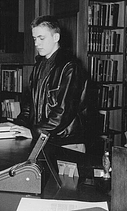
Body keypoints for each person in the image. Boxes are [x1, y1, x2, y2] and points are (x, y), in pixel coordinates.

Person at [11, 15, 87, 150]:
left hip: (65, 143)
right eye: (34, 38)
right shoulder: (39, 65)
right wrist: (18, 125)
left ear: (56, 37)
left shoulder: (70, 66)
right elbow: (29, 104)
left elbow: (63, 111)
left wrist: (35, 132)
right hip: (42, 139)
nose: (36, 44)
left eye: (41, 38)